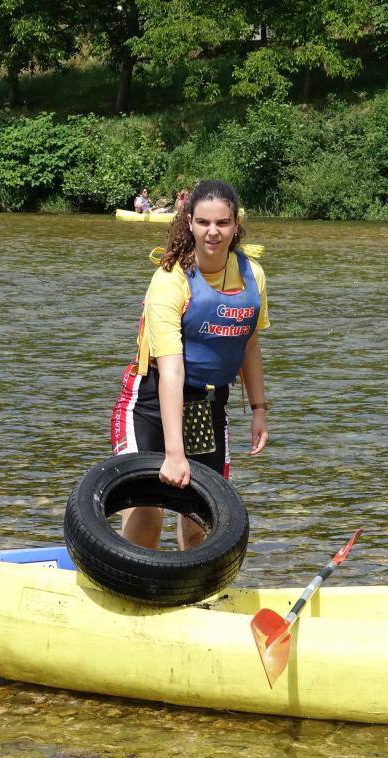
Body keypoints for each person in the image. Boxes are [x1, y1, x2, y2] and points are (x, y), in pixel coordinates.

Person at [111, 179, 269, 550]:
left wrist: (259, 409)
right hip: (150, 402)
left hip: (208, 404)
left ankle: (196, 597)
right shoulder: (169, 281)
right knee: (146, 513)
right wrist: (174, 454)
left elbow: (249, 343)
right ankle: (130, 592)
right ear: (189, 223)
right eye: (203, 223)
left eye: (222, 223)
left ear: (235, 225)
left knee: (200, 520)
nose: (213, 232)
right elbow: (171, 371)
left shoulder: (252, 275)